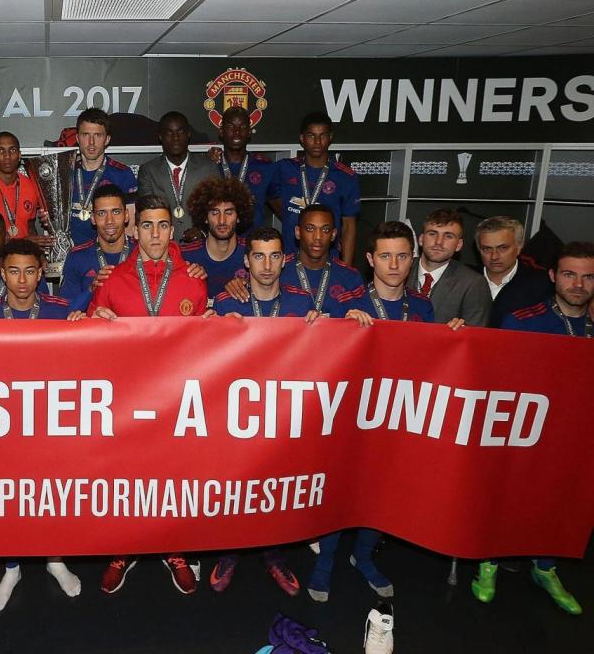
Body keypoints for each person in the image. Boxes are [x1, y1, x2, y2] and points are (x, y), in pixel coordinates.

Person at [310, 222, 463, 607]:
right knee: (337, 491)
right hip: (351, 419)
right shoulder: (345, 302)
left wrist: (455, 338)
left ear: (412, 259)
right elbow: (315, 354)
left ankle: (362, 557)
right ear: (369, 259)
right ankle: (325, 560)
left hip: (398, 419)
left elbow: (433, 363)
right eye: (384, 255)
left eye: (401, 255)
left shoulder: (423, 307)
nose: (393, 264)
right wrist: (333, 326)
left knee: (382, 495)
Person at [88, 194, 209, 595]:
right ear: (132, 229)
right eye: (146, 226)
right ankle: (125, 547)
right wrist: (94, 321)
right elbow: (87, 341)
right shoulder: (113, 279)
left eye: (162, 226)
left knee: (173, 478)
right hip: (127, 399)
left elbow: (209, 345)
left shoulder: (194, 279)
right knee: (127, 478)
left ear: (171, 230)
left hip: (178, 399)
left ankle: (172, 548)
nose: (154, 234)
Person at [0, 239, 84, 610]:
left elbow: (90, 359)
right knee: (6, 499)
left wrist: (89, 324)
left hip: (50, 426)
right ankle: (12, 567)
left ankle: (54, 559)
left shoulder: (61, 311)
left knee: (52, 495)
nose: (22, 279)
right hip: (2, 431)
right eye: (13, 271)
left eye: (30, 270)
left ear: (41, 271)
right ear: (3, 273)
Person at [471, 241, 594, 616]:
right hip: (526, 430)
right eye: (570, 274)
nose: (578, 284)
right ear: (554, 276)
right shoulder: (524, 320)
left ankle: (545, 567)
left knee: (561, 502)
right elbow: (501, 382)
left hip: (578, 437)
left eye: (588, 277)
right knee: (510, 495)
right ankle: (488, 560)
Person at [210, 227, 312, 597]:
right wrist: (210, 329)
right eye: (258, 256)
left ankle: (274, 555)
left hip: (282, 415)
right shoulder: (225, 304)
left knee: (277, 490)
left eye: (273, 256)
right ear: (246, 261)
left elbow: (333, 349)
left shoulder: (304, 305)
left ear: (285, 259)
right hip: (236, 415)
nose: (266, 265)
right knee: (235, 487)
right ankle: (229, 552)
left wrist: (346, 322)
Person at [224, 205, 366, 318]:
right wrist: (236, 284)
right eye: (310, 229)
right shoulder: (276, 269)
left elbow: (364, 324)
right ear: (298, 232)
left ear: (334, 234)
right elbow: (254, 286)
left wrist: (357, 322)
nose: (317, 237)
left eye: (325, 230)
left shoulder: (351, 277)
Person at [273, 112, 359, 265]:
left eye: (323, 135)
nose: (317, 141)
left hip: (328, 260)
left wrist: (346, 267)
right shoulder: (285, 168)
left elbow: (348, 225)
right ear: (302, 138)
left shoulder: (346, 177)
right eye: (311, 136)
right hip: (289, 258)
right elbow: (266, 190)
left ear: (330, 137)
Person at [137, 112, 219, 243]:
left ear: (188, 134)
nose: (175, 138)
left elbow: (218, 209)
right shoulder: (148, 171)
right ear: (160, 136)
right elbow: (147, 213)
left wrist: (202, 230)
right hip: (163, 246)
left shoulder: (208, 168)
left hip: (202, 246)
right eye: (169, 133)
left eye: (180, 132)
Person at [67, 108, 138, 246]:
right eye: (85, 135)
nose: (91, 142)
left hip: (108, 254)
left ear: (107, 139)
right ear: (77, 138)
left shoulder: (123, 174)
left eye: (98, 135)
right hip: (71, 255)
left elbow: (130, 225)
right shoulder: (65, 174)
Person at [409, 208, 491, 326]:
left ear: (458, 245)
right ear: (421, 239)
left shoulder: (472, 283)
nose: (438, 242)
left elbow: (475, 337)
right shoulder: (401, 269)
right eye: (432, 234)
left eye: (448, 236)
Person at [60, 184, 133, 313]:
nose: (109, 221)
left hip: (134, 331)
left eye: (116, 212)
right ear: (93, 218)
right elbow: (66, 312)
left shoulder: (140, 252)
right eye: (101, 213)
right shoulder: (77, 257)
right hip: (93, 331)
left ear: (126, 215)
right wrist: (91, 289)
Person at [181, 177, 253, 301]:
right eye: (215, 213)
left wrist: (251, 286)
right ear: (205, 217)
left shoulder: (253, 253)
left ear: (238, 217)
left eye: (229, 213)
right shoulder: (185, 255)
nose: (222, 221)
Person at [475, 216, 553, 328]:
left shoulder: (541, 284)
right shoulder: (463, 280)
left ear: (519, 246)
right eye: (487, 249)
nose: (494, 256)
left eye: (503, 248)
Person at [212, 106, 278, 229]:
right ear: (221, 132)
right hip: (218, 244)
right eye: (231, 126)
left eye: (242, 127)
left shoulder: (265, 168)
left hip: (252, 244)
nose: (237, 131)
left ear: (249, 132)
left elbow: (283, 212)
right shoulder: (209, 166)